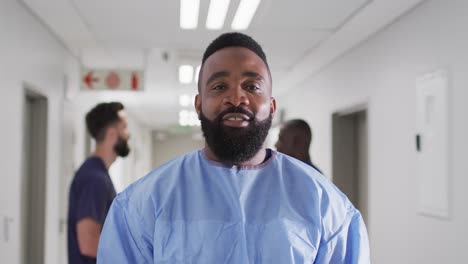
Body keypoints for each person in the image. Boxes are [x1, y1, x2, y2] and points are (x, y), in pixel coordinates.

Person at [97, 32, 370, 263]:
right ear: (198, 104)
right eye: (219, 86)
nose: (237, 97)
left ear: (272, 106)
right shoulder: (142, 205)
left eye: (252, 85)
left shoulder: (325, 206)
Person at [67, 102, 130, 264]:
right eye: (124, 128)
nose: (128, 135)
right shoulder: (95, 179)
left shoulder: (96, 173)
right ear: (111, 134)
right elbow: (88, 243)